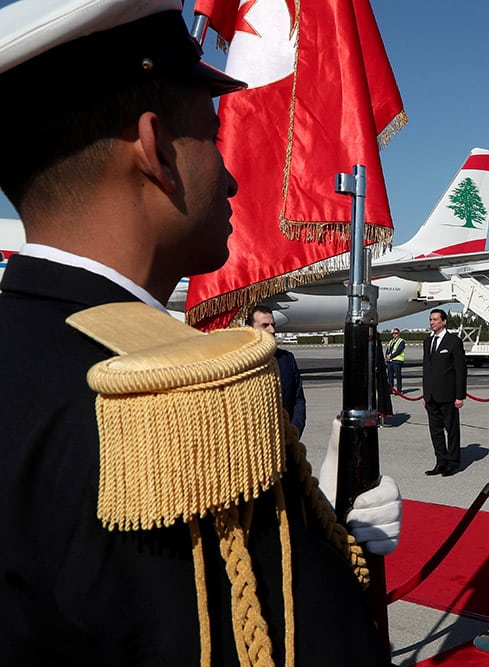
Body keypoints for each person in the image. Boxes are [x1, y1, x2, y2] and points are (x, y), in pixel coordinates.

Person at [0, 2, 390, 663]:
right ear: (155, 149)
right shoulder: (171, 408)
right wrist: (332, 550)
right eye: (213, 136)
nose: (234, 174)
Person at [248, 304, 307, 432]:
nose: (272, 330)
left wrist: (294, 431)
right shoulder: (240, 362)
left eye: (273, 325)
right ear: (250, 329)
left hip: (285, 439)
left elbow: (298, 400)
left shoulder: (286, 359)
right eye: (265, 326)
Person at [422, 309, 467, 476]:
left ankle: (453, 462)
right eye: (430, 319)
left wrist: (459, 396)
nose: (432, 322)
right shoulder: (428, 342)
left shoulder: (453, 342)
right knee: (436, 432)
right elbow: (427, 369)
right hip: (432, 396)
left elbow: (460, 370)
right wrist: (426, 394)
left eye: (435, 319)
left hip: (449, 396)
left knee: (452, 430)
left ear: (444, 321)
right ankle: (440, 461)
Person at [385, 327, 406, 393]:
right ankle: (390, 389)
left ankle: (399, 390)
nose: (395, 334)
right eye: (393, 333)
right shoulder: (391, 341)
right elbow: (388, 349)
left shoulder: (401, 341)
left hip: (397, 361)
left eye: (396, 333)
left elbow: (398, 351)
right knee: (390, 376)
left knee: (398, 376)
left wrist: (391, 356)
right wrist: (386, 356)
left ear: (399, 334)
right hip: (390, 361)